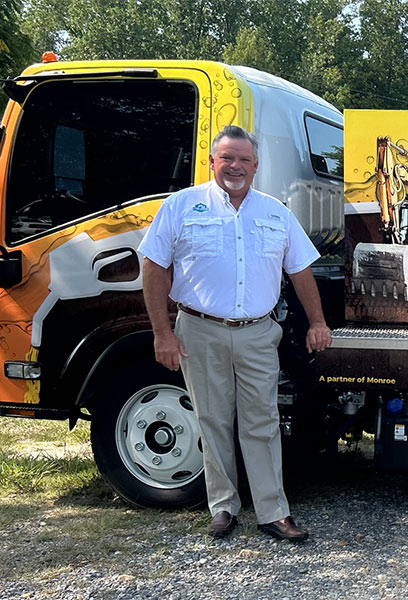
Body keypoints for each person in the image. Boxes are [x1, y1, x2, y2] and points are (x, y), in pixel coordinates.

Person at [138, 125, 332, 542]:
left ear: (256, 166)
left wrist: (317, 321)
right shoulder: (181, 206)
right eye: (227, 158)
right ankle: (223, 508)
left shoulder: (275, 213)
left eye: (244, 159)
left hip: (258, 334)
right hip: (198, 331)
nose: (235, 166)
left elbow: (300, 271)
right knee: (212, 421)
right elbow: (153, 267)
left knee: (261, 422)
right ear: (212, 162)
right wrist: (162, 334)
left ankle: (273, 512)